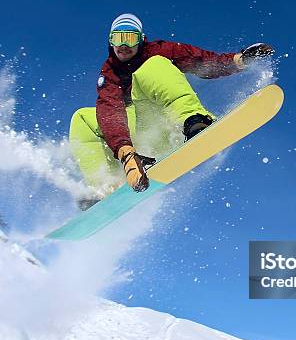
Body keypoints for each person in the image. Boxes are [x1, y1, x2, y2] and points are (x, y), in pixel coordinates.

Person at [70, 13, 273, 207]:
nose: (123, 45)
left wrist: (240, 60)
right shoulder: (110, 73)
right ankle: (105, 187)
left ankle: (195, 121)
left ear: (140, 39)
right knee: (82, 119)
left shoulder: (157, 50)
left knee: (152, 66)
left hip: (167, 123)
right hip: (138, 143)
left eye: (130, 38)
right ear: (110, 41)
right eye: (118, 38)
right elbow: (110, 110)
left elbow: (200, 61)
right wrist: (127, 154)